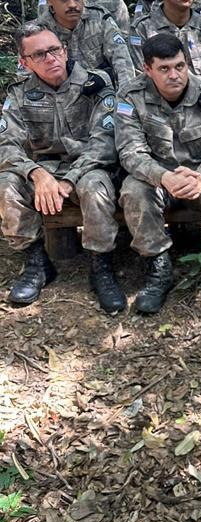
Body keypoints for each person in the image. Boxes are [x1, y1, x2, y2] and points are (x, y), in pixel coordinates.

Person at [0, 24, 125, 311]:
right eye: (40, 54)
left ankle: (100, 265)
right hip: (41, 170)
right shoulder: (20, 94)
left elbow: (105, 144)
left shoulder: (96, 84)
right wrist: (36, 173)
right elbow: (5, 144)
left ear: (65, 50)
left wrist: (68, 180)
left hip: (87, 167)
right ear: (24, 62)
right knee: (6, 183)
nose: (51, 58)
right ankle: (36, 263)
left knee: (95, 186)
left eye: (55, 50)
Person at [115, 33, 201, 318]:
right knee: (134, 190)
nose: (175, 75)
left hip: (198, 177)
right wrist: (163, 177)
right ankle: (158, 268)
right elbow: (130, 152)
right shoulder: (130, 97)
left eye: (180, 66)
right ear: (147, 69)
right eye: (164, 68)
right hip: (157, 178)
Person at [33, 0, 135, 90]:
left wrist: (126, 99)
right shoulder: (37, 33)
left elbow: (123, 63)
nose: (72, 4)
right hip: (58, 99)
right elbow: (25, 78)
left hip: (102, 94)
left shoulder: (100, 18)